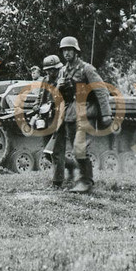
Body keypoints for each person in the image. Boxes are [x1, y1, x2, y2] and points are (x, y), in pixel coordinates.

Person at [52, 36, 112, 193]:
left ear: (76, 51)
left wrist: (106, 114)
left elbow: (101, 90)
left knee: (80, 147)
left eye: (70, 50)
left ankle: (85, 181)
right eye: (64, 50)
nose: (67, 53)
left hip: (86, 111)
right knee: (76, 148)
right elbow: (61, 97)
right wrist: (59, 88)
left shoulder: (87, 69)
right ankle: (83, 178)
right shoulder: (63, 71)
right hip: (71, 113)